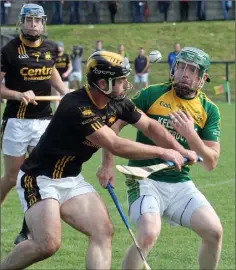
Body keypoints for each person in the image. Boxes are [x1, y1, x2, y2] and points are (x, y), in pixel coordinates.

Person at [0, 50, 197, 270]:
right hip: (39, 178)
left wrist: (180, 149)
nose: (126, 84)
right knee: (47, 244)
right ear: (103, 83)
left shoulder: (118, 101)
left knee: (103, 232)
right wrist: (162, 152)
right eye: (121, 80)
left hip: (71, 179)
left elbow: (149, 125)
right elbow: (115, 144)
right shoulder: (76, 107)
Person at [97, 47, 223, 270]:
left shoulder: (208, 110)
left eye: (192, 70)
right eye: (181, 67)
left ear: (202, 78)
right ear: (174, 69)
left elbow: (211, 162)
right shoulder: (152, 94)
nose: (185, 73)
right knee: (148, 233)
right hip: (144, 180)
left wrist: (191, 135)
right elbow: (113, 124)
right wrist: (106, 163)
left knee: (214, 232)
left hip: (180, 184)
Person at [0, 3, 71, 245]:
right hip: (16, 121)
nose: (33, 24)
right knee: (11, 178)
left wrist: (63, 90)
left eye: (37, 20)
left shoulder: (51, 48)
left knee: (37, 175)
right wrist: (18, 95)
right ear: (21, 22)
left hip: (43, 120)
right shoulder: (9, 50)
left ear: (43, 23)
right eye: (28, 20)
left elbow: (50, 69)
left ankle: (25, 231)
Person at [53, 41, 72, 109]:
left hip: (65, 78)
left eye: (60, 46)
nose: (59, 48)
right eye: (58, 46)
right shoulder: (54, 56)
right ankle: (56, 111)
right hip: (56, 79)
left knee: (65, 94)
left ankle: (64, 110)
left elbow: (70, 67)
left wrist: (66, 73)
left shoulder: (66, 56)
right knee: (57, 95)